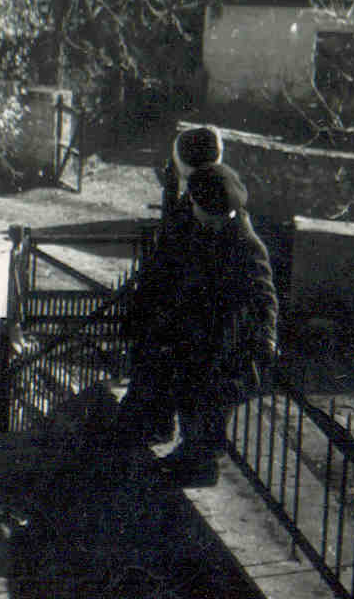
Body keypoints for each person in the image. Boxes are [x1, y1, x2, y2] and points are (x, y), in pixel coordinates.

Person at [116, 162, 277, 487]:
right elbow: (164, 267)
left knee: (206, 398)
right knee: (173, 378)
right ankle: (169, 435)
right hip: (191, 327)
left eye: (198, 207)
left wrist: (266, 341)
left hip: (222, 338)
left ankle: (201, 464)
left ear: (216, 212)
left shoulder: (245, 243)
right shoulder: (192, 224)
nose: (193, 208)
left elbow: (264, 298)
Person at [123, 125, 229, 445]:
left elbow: (179, 255)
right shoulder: (210, 193)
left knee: (170, 369)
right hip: (185, 302)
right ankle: (156, 420)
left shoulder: (199, 201)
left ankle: (158, 423)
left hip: (182, 303)